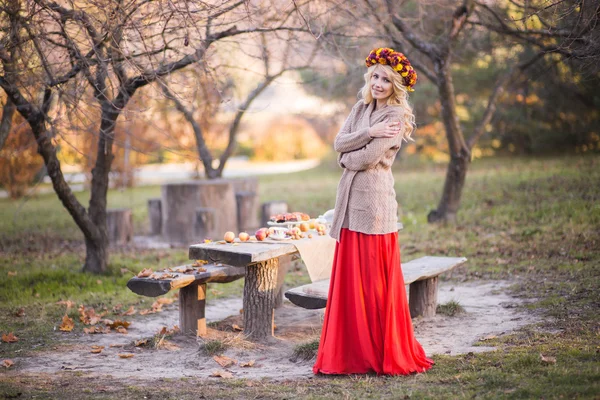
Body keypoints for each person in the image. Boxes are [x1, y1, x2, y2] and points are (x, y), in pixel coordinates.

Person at [313, 47, 434, 376]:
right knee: (351, 282)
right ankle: (351, 353)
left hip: (375, 207)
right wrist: (366, 133)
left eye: (386, 79)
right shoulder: (361, 108)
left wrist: (347, 159)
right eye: (375, 77)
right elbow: (339, 143)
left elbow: (364, 159)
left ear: (396, 85)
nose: (379, 83)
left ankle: (378, 351)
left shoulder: (395, 117)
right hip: (350, 206)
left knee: (373, 282)